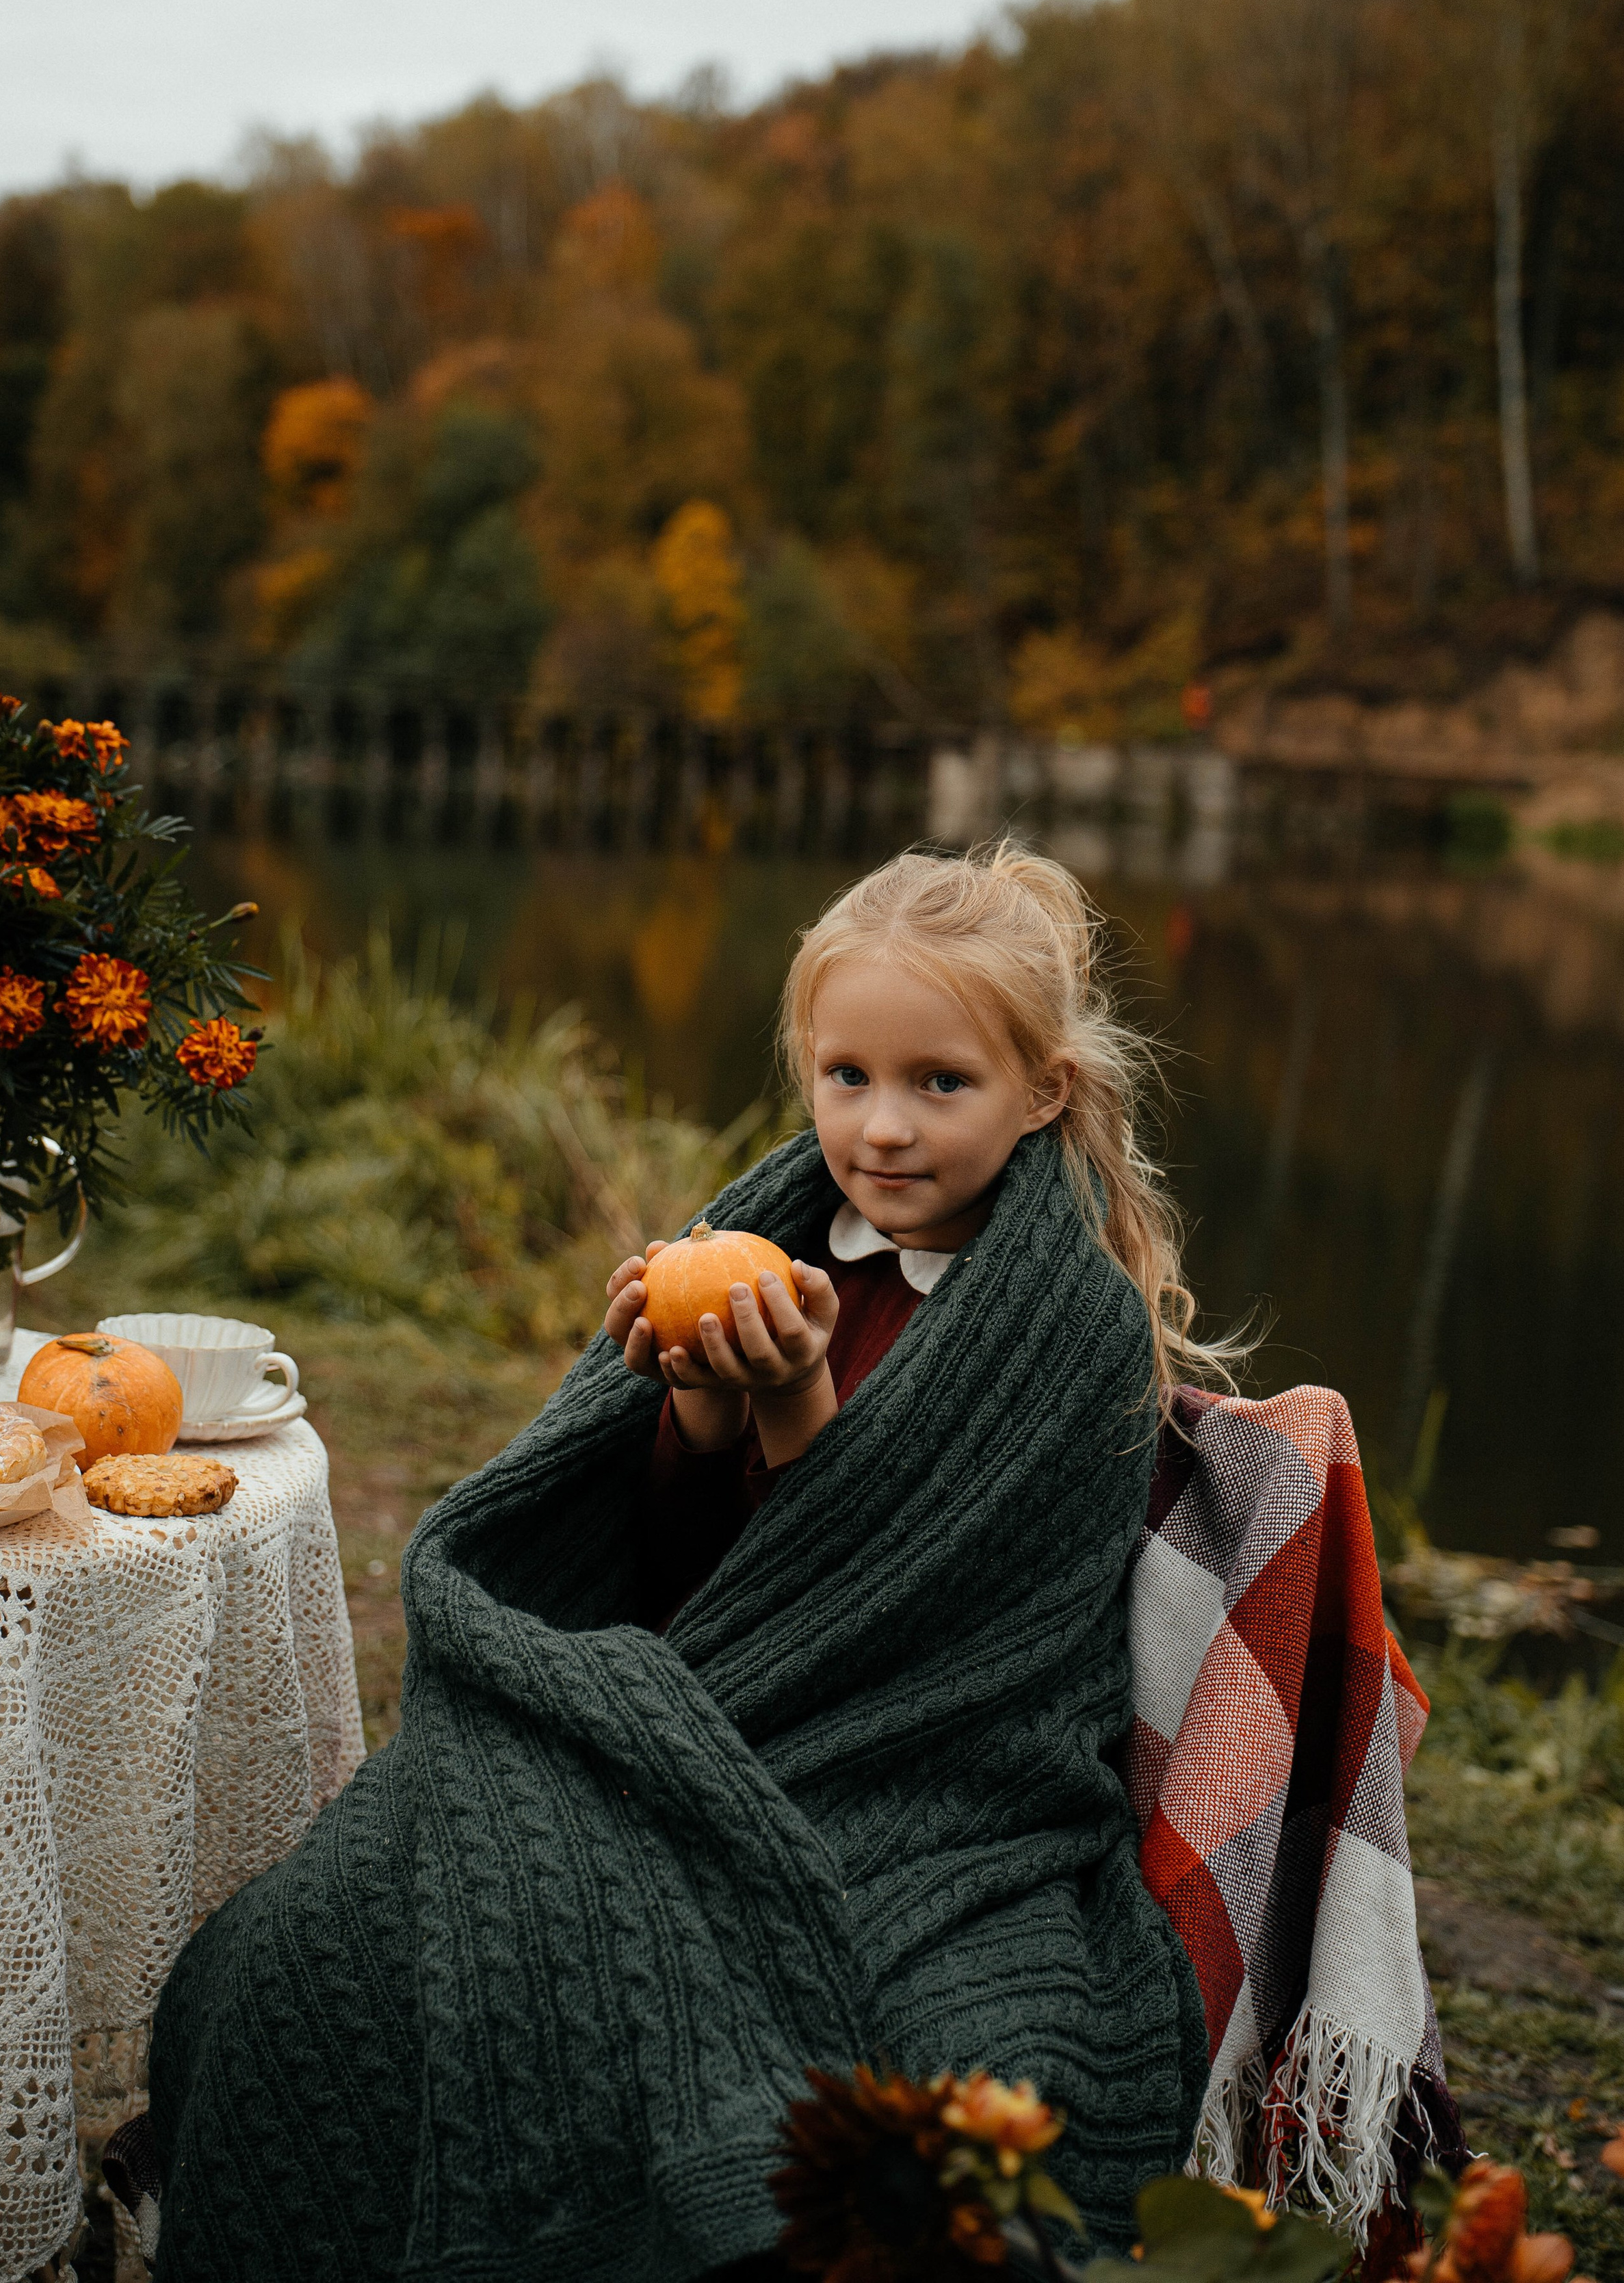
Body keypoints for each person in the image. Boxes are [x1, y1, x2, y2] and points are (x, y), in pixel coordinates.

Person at [144, 846, 1233, 2282]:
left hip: (912, 1774)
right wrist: (695, 1401)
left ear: (1043, 1092)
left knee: (953, 2069)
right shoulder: (767, 1238)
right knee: (315, 1936)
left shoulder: (1065, 1327)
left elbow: (889, 1609)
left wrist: (795, 1401)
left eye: (940, 1083)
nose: (884, 1127)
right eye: (847, 1076)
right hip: (677, 1702)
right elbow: (676, 1571)